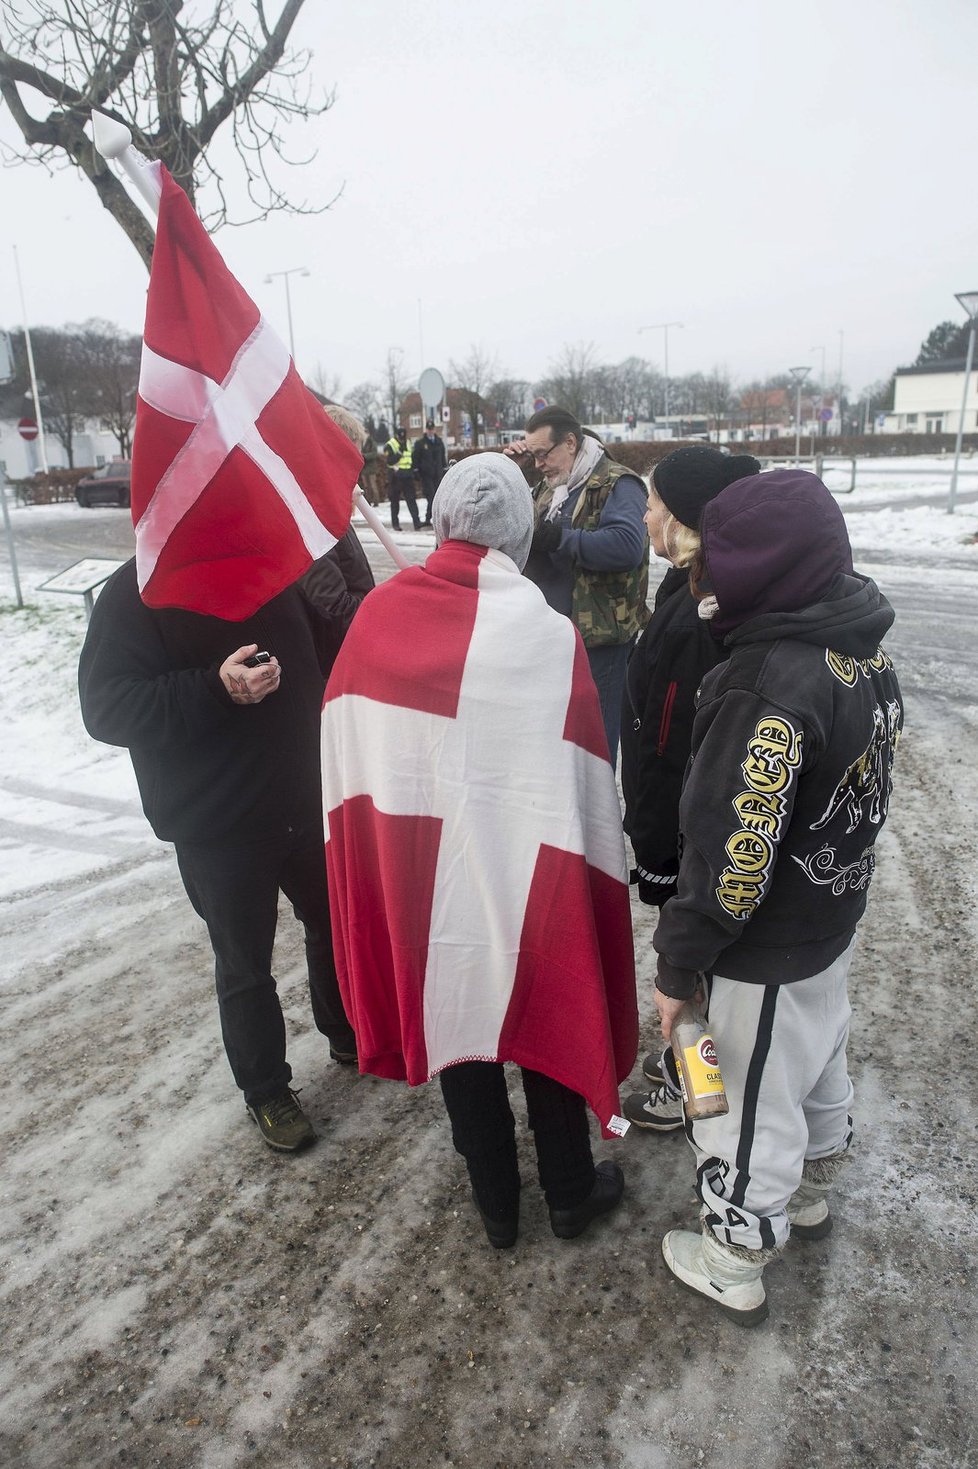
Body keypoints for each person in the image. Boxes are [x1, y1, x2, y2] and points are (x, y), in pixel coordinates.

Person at [320, 452, 639, 1248]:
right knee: (542, 995)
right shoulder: (546, 632)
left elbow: (349, 745)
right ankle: (568, 1189)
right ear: (521, 534)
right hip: (525, 867)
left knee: (456, 1004)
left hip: (430, 876)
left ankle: (496, 1201)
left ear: (442, 523)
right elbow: (584, 772)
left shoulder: (377, 619)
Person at [647, 467, 903, 1325]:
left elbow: (731, 845)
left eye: (720, 557)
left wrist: (681, 965)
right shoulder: (860, 642)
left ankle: (736, 1249)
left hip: (761, 944)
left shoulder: (768, 680)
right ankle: (808, 1188)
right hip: (826, 921)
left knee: (745, 1093)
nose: (706, 572)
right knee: (815, 1056)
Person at [77, 514, 372, 1155]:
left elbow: (327, 650)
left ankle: (346, 1030)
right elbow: (106, 707)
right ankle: (266, 1089)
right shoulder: (136, 591)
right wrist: (215, 688)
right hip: (217, 822)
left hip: (301, 793)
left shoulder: (273, 568)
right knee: (245, 965)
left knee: (332, 924)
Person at [618, 446, 761, 1132]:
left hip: (684, 829)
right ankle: (687, 1064)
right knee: (700, 965)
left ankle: (690, 1087)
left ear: (681, 522)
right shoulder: (690, 587)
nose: (643, 516)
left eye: (651, 504)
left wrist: (653, 845)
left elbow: (669, 748)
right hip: (686, 826)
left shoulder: (690, 620)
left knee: (691, 969)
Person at [505, 406, 649, 766]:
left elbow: (626, 547)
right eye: (533, 455)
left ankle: (595, 822)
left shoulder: (619, 483)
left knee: (593, 751)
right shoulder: (550, 487)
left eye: (543, 453)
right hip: (551, 637)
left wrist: (559, 539)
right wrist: (513, 473)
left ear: (570, 442)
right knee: (555, 748)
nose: (539, 463)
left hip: (600, 642)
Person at [384, 424, 422, 531]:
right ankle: (395, 524)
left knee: (412, 500)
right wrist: (399, 453)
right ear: (396, 435)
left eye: (403, 436)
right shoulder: (390, 445)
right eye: (400, 437)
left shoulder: (408, 443)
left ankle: (417, 522)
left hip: (407, 476)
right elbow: (389, 461)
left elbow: (411, 459)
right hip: (396, 476)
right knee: (395, 501)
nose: (402, 439)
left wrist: (415, 471)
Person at [412, 418, 447, 526]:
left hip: (437, 474)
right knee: (431, 496)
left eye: (432, 429)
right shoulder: (421, 443)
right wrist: (416, 471)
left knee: (437, 497)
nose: (430, 431)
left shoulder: (439, 441)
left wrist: (445, 469)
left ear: (434, 430)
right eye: (429, 429)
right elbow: (415, 458)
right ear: (426, 430)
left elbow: (442, 457)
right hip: (426, 475)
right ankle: (429, 518)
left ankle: (429, 518)